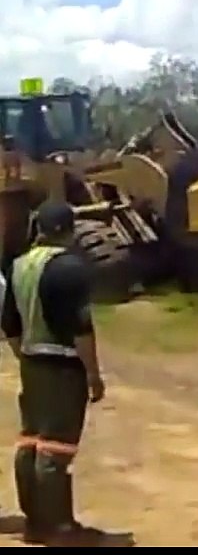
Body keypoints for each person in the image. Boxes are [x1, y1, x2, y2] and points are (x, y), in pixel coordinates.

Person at [0, 202, 126, 546]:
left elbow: (10, 323)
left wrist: (25, 355)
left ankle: (36, 522)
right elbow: (81, 329)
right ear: (69, 231)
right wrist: (93, 374)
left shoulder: (18, 265)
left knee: (31, 440)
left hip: (32, 362)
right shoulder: (70, 268)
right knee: (56, 447)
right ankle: (60, 528)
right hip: (62, 366)